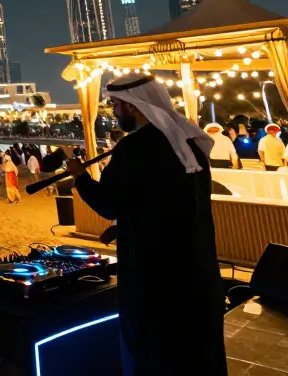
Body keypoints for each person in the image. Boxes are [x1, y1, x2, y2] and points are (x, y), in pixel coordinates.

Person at [66, 72, 225, 374]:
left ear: (133, 105)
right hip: (197, 268)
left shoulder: (134, 148)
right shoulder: (189, 141)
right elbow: (168, 201)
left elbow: (109, 204)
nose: (114, 112)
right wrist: (126, 225)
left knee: (153, 352)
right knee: (199, 349)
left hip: (154, 276)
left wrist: (80, 177)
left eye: (116, 105)